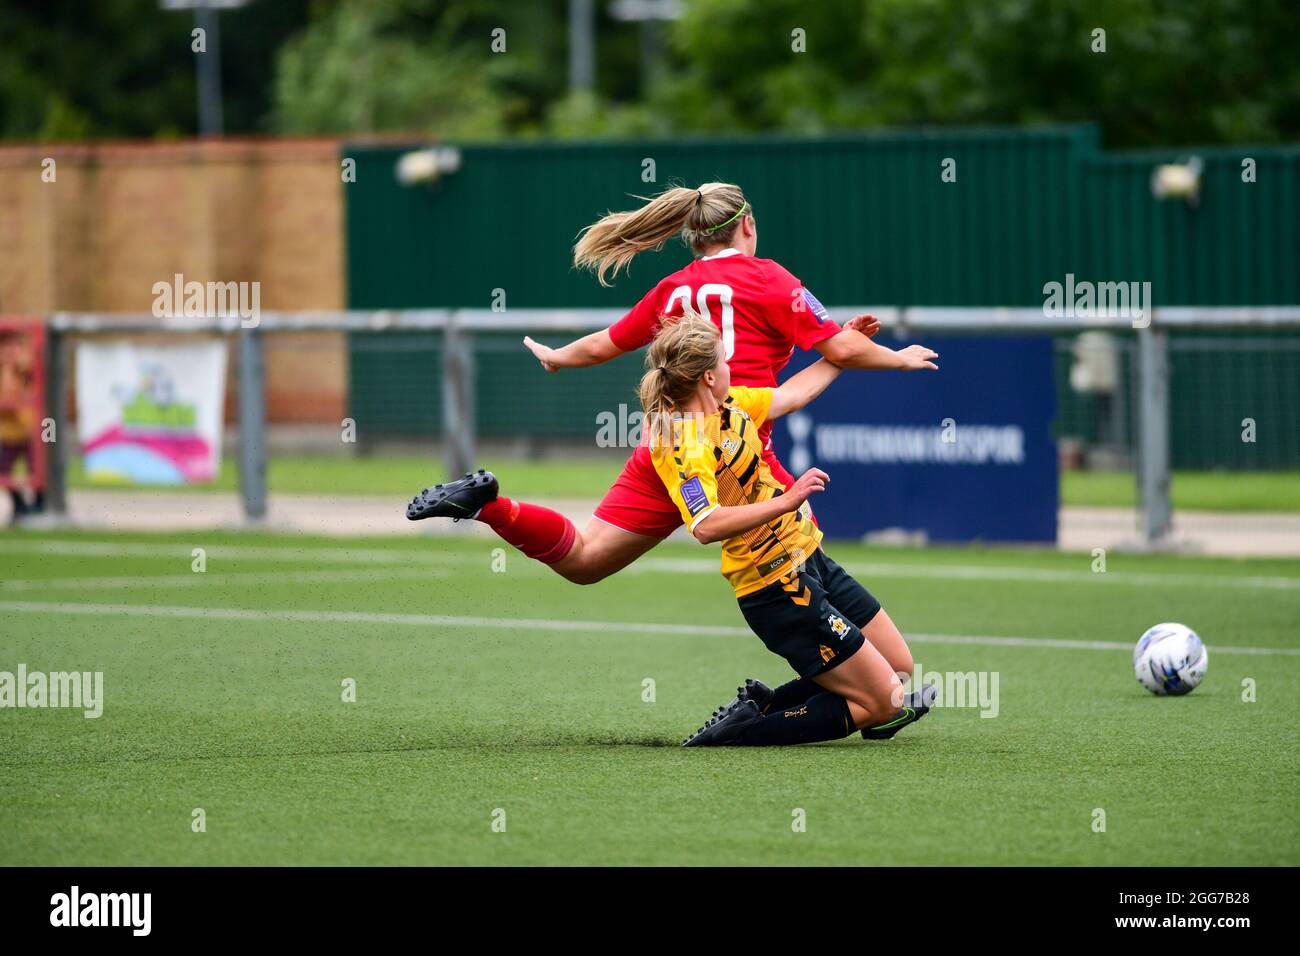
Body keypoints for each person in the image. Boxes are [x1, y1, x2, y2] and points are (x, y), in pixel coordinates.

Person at [406, 183, 938, 588]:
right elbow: (839, 349)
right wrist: (898, 358)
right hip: (737, 445)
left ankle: (487, 506)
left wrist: (556, 358)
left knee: (587, 560)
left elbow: (604, 344)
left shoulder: (674, 288)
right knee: (799, 564)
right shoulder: (770, 278)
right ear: (747, 224)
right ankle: (853, 690)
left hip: (672, 439)